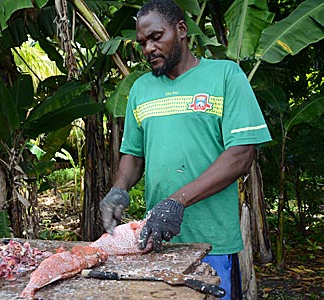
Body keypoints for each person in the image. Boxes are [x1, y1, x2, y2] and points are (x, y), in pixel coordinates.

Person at [99, 0, 272, 299]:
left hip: (213, 241)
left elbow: (241, 155)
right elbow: (133, 155)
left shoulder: (225, 76)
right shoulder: (141, 89)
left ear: (181, 30)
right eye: (142, 43)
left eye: (156, 37)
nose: (148, 49)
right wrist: (119, 188)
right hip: (158, 242)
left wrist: (177, 202)